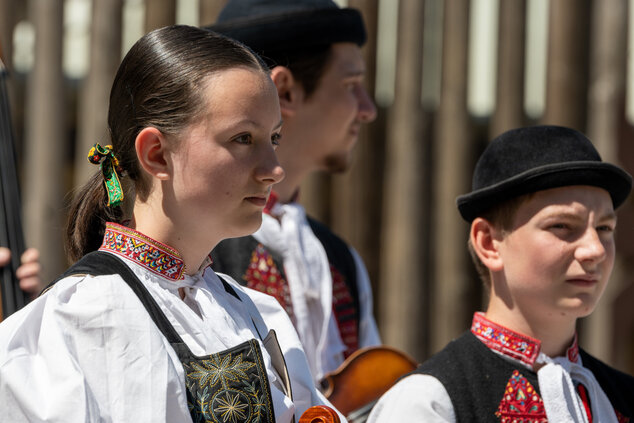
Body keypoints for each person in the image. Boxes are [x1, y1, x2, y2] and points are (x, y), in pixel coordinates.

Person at [0, 25, 343, 422]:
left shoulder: (257, 313)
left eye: (275, 138)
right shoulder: (77, 321)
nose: (274, 170)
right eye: (243, 139)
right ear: (157, 154)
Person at [368, 125, 634, 422]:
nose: (595, 249)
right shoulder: (429, 403)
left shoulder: (623, 398)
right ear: (489, 243)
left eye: (604, 228)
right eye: (561, 226)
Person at [205, 0, 381, 385]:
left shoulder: (339, 259)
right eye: (351, 86)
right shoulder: (195, 252)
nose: (367, 109)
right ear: (284, 91)